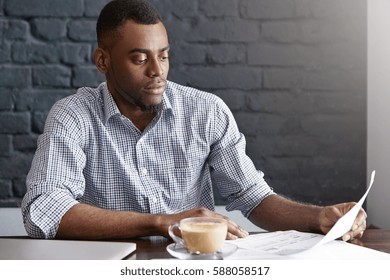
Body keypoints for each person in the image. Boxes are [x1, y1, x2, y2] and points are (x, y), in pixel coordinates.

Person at [21, 0, 366, 241]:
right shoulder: (73, 116)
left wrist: (318, 217)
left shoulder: (207, 111)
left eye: (164, 56)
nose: (158, 71)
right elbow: (44, 211)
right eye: (140, 58)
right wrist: (164, 223)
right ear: (103, 60)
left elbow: (251, 196)